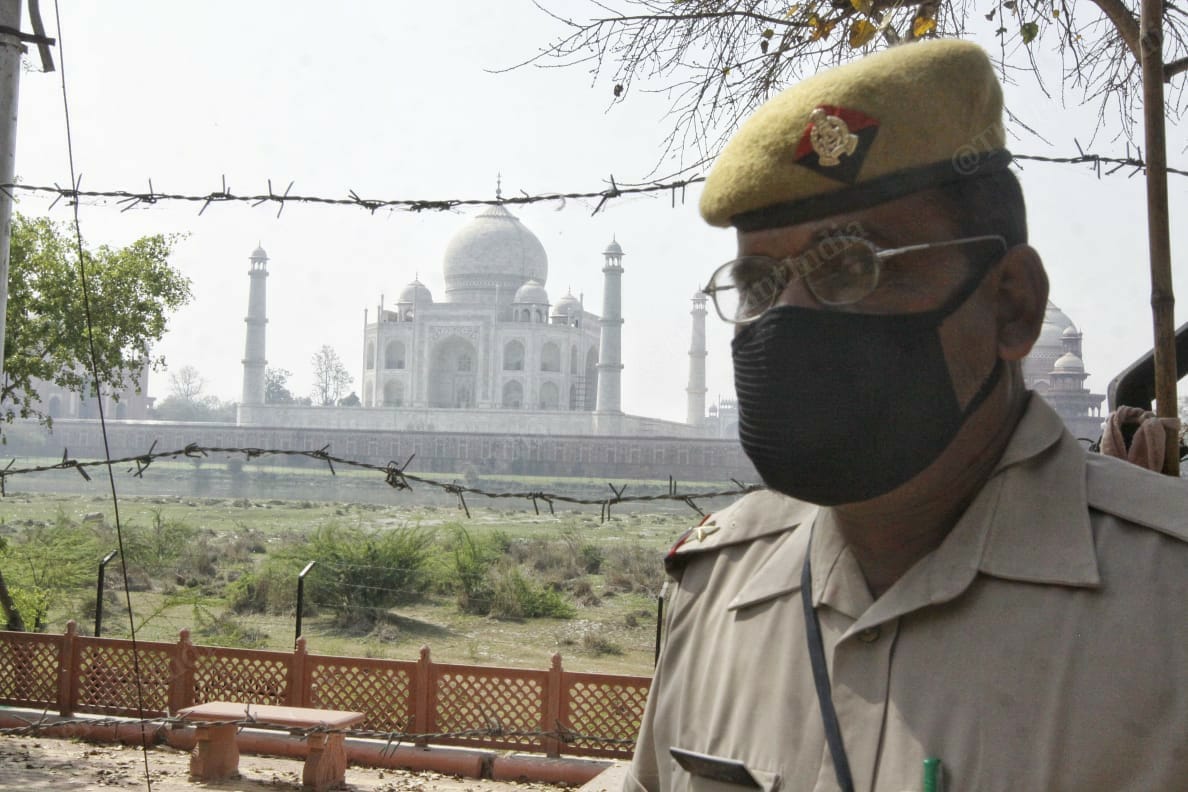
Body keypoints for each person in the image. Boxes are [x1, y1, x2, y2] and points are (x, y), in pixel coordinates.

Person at [627, 39, 1188, 792]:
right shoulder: (717, 591)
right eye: (758, 285)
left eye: (853, 267)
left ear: (1011, 304)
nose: (790, 319)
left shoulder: (1166, 610)